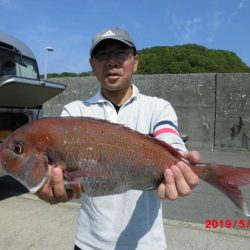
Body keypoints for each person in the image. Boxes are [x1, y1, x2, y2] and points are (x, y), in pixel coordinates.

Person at [37, 28, 200, 250]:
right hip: (88, 244)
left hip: (147, 244)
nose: (112, 62)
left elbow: (169, 139)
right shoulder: (72, 113)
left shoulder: (157, 108)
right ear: (92, 64)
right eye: (102, 55)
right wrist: (44, 186)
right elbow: (57, 172)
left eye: (121, 53)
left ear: (136, 62)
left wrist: (180, 163)